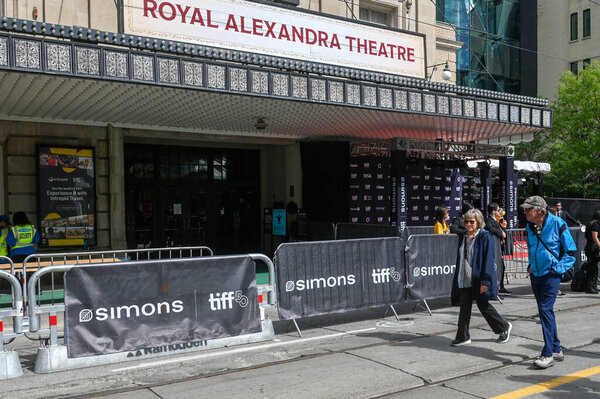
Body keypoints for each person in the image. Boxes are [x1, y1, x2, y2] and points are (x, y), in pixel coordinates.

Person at [521, 196, 576, 369]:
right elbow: (532, 247)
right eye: (525, 209)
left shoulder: (558, 223)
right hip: (535, 273)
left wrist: (557, 269)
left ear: (539, 210)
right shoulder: (530, 226)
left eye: (528, 209)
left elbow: (571, 252)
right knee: (545, 311)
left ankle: (548, 353)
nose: (525, 212)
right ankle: (556, 348)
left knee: (545, 310)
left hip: (551, 275)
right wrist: (531, 265)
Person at [450, 209, 512, 347]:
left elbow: (488, 260)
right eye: (466, 221)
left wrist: (485, 281)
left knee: (483, 305)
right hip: (465, 277)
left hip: (479, 278)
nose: (468, 224)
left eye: (472, 221)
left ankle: (504, 327)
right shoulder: (464, 236)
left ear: (478, 222)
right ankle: (462, 337)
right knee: (464, 307)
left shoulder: (485, 236)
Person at [485, 203, 510, 295]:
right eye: (497, 209)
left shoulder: (497, 220)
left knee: (502, 267)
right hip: (493, 248)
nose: (499, 211)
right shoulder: (488, 220)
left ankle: (501, 286)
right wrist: (500, 232)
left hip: (499, 247)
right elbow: (490, 229)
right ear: (493, 211)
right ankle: (495, 288)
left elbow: (503, 232)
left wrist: (503, 228)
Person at [583, 209, 600, 294]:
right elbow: (595, 237)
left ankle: (593, 285)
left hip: (590, 247)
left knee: (593, 267)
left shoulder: (591, 223)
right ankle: (590, 286)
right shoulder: (595, 225)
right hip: (593, 248)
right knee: (591, 268)